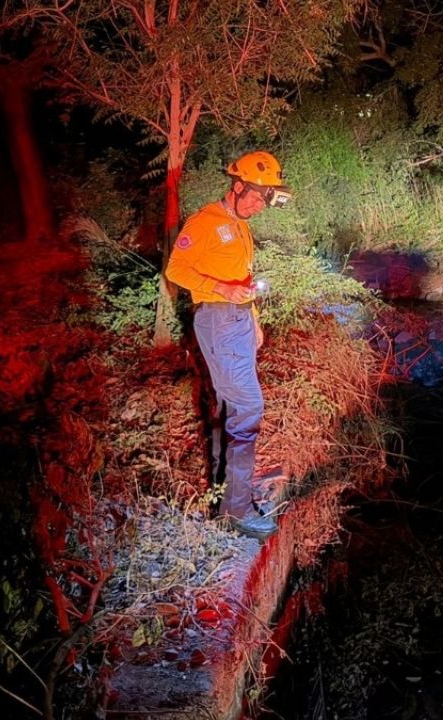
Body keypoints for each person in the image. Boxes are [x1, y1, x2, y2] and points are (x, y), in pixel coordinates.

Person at [165, 150, 293, 540]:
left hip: (237, 321)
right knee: (248, 407)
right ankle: (236, 510)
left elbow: (244, 275)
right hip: (217, 318)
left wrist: (253, 319)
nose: (257, 205)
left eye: (264, 200)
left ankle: (227, 494)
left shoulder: (240, 225)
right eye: (254, 197)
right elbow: (176, 269)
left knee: (229, 406)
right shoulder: (206, 222)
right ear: (237, 187)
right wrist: (220, 289)